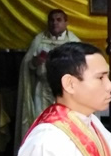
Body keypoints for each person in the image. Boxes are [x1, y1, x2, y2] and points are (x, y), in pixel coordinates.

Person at [15, 9, 80, 146]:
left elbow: (81, 68)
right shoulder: (39, 40)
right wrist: (35, 62)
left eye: (59, 20)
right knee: (41, 124)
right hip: (43, 90)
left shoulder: (73, 42)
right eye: (52, 20)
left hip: (65, 93)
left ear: (66, 23)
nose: (55, 23)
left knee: (65, 125)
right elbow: (27, 66)